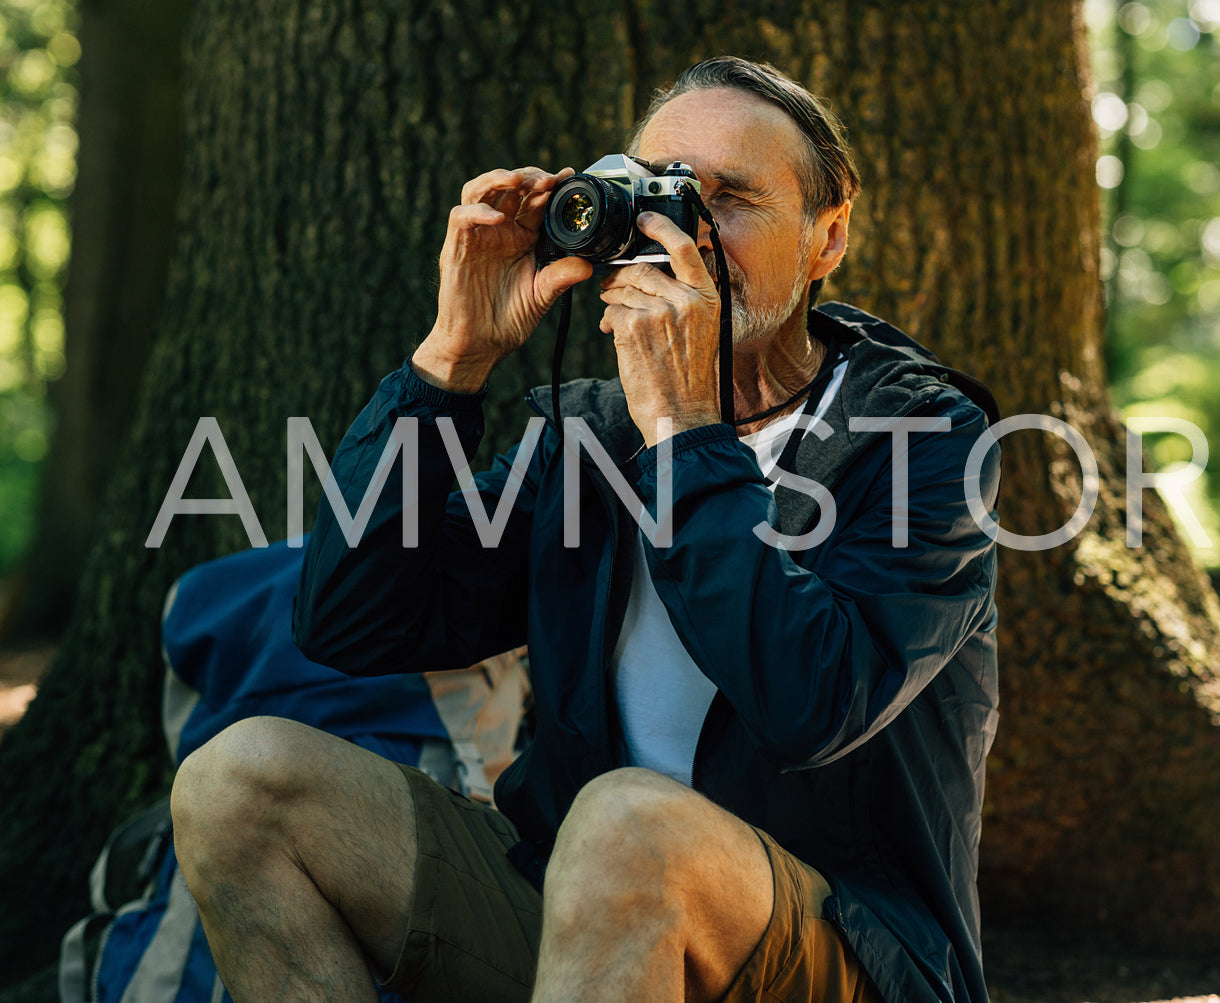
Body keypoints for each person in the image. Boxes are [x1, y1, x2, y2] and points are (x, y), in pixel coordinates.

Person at [171, 56, 1002, 1003]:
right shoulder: (586, 430)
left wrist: (684, 436)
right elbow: (354, 623)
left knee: (624, 821)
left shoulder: (924, 437)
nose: (683, 229)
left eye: (729, 199)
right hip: (582, 905)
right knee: (238, 782)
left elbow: (814, 702)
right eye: (656, 193)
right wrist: (450, 364)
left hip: (839, 945)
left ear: (827, 239)